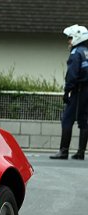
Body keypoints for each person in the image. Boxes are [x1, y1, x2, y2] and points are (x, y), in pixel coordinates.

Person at [51, 24, 88, 160]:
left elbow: (72, 74)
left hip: (77, 89)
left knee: (67, 119)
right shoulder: (86, 52)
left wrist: (67, 91)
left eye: (70, 38)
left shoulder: (76, 53)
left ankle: (63, 151)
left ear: (77, 38)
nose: (69, 41)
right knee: (84, 120)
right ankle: (81, 152)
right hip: (86, 90)